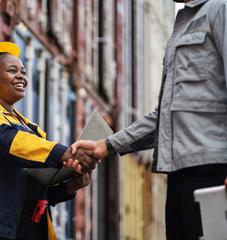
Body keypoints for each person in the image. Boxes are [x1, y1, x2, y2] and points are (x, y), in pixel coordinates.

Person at [68, 0, 227, 239]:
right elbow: (164, 116)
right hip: (178, 175)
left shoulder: (221, 9)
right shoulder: (183, 25)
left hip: (214, 172)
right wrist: (105, 146)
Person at [0, 42, 99, 240]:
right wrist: (63, 153)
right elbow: (6, 141)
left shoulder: (31, 128)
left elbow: (34, 187)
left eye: (23, 72)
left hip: (24, 230)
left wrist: (70, 186)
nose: (21, 76)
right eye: (12, 70)